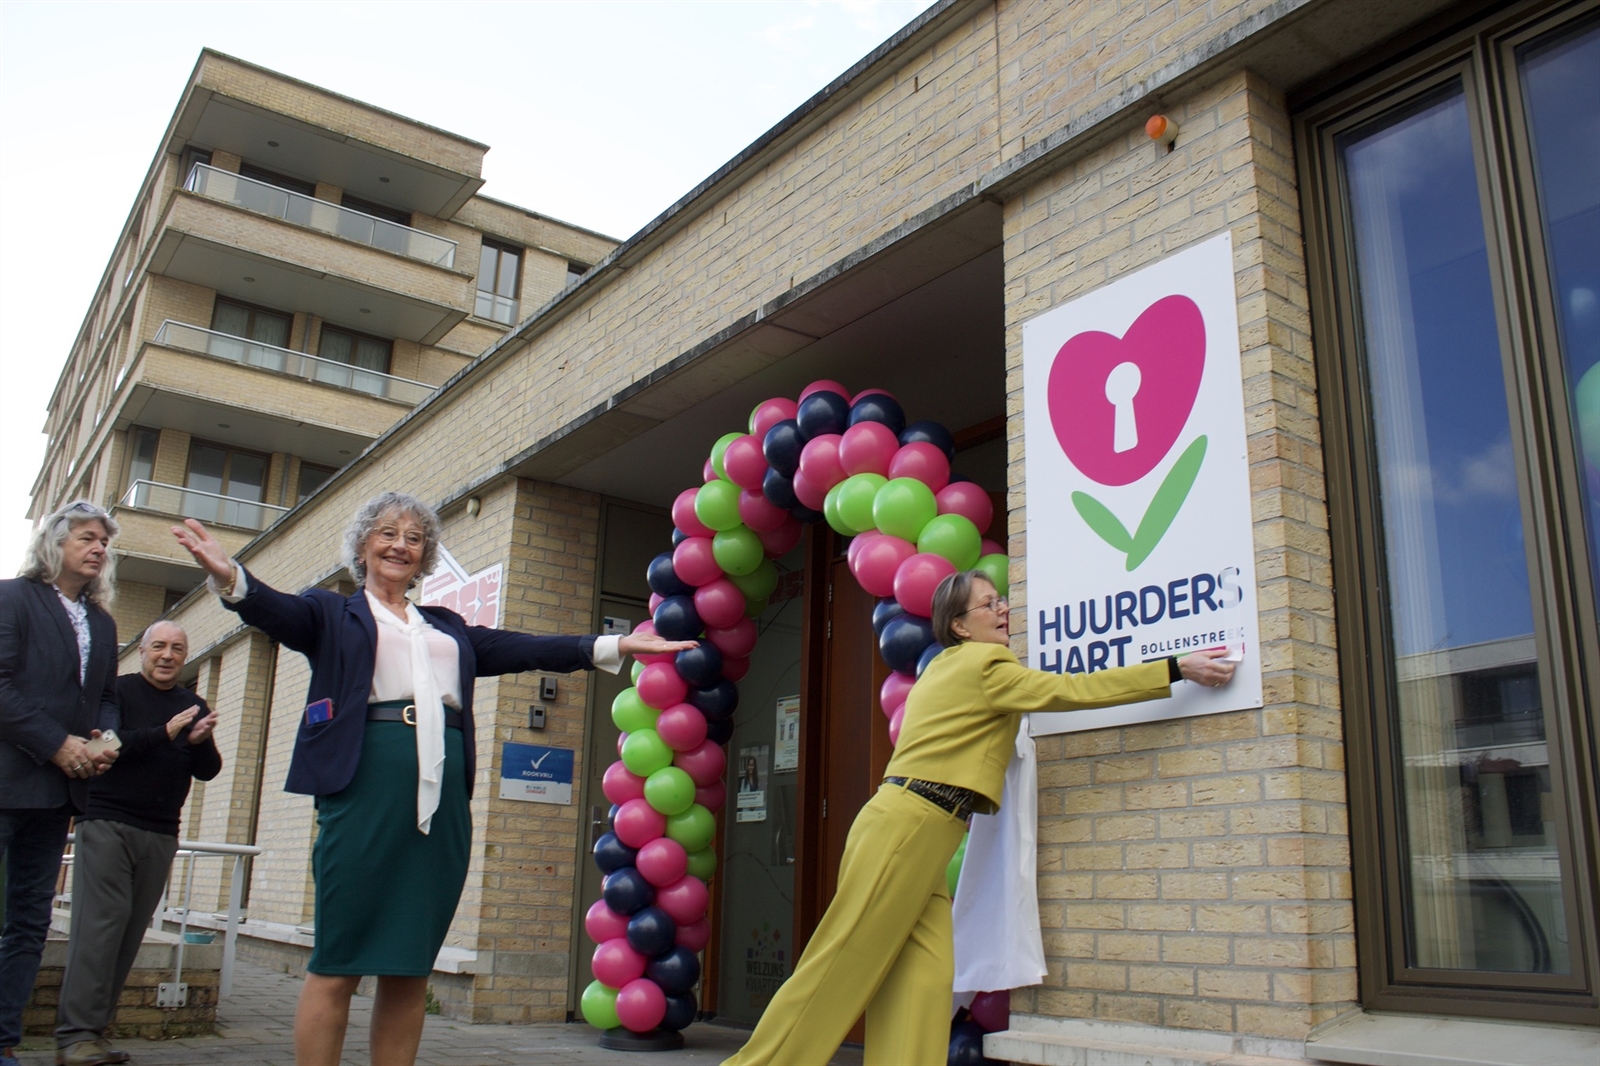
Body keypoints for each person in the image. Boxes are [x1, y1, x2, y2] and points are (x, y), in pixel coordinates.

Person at [171, 491, 695, 1066]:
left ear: (425, 556)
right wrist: (232, 579)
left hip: (441, 802)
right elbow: (277, 611)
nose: (401, 545)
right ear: (363, 546)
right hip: (363, 793)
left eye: (415, 538)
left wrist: (615, 643)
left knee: (409, 965)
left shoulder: (447, 628)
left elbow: (525, 648)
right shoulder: (331, 614)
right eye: (388, 533)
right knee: (338, 959)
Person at [724, 568, 1237, 1065]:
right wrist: (1175, 668)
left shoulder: (946, 667)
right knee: (839, 966)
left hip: (919, 829)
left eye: (1001, 600)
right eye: (989, 604)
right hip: (909, 827)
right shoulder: (985, 663)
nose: (1003, 609)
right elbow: (1071, 690)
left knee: (924, 980)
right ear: (960, 625)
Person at [54, 621, 221, 1066]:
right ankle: (74, 1036)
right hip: (107, 824)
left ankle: (94, 1034)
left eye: (177, 649)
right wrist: (163, 733)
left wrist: (199, 742)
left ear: (185, 656)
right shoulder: (118, 692)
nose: (167, 655)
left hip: (161, 832)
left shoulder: (192, 705)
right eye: (159, 646)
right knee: (99, 929)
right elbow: (103, 747)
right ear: (143, 651)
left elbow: (208, 770)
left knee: (128, 935)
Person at [0, 501, 122, 1063]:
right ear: (56, 542)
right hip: (8, 782)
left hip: (59, 794)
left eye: (104, 542)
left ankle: (4, 1041)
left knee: (30, 922)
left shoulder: (103, 623)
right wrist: (56, 743)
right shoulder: (12, 598)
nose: (98, 549)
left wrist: (105, 742)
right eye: (87, 538)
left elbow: (105, 698)